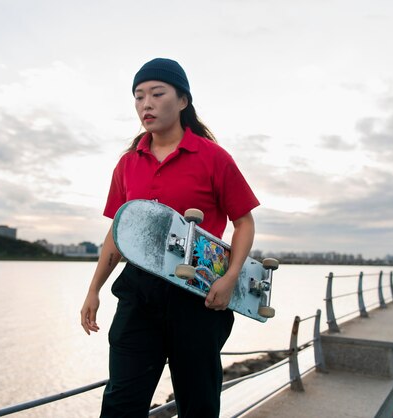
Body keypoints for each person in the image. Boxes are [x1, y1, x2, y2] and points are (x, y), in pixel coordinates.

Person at [80, 58, 259, 418]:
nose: (146, 104)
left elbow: (244, 222)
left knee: (199, 402)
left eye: (157, 93)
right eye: (138, 96)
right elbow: (118, 233)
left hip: (198, 295)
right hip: (138, 293)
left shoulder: (214, 158)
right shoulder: (128, 163)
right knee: (121, 401)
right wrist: (94, 289)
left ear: (182, 101)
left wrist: (230, 278)